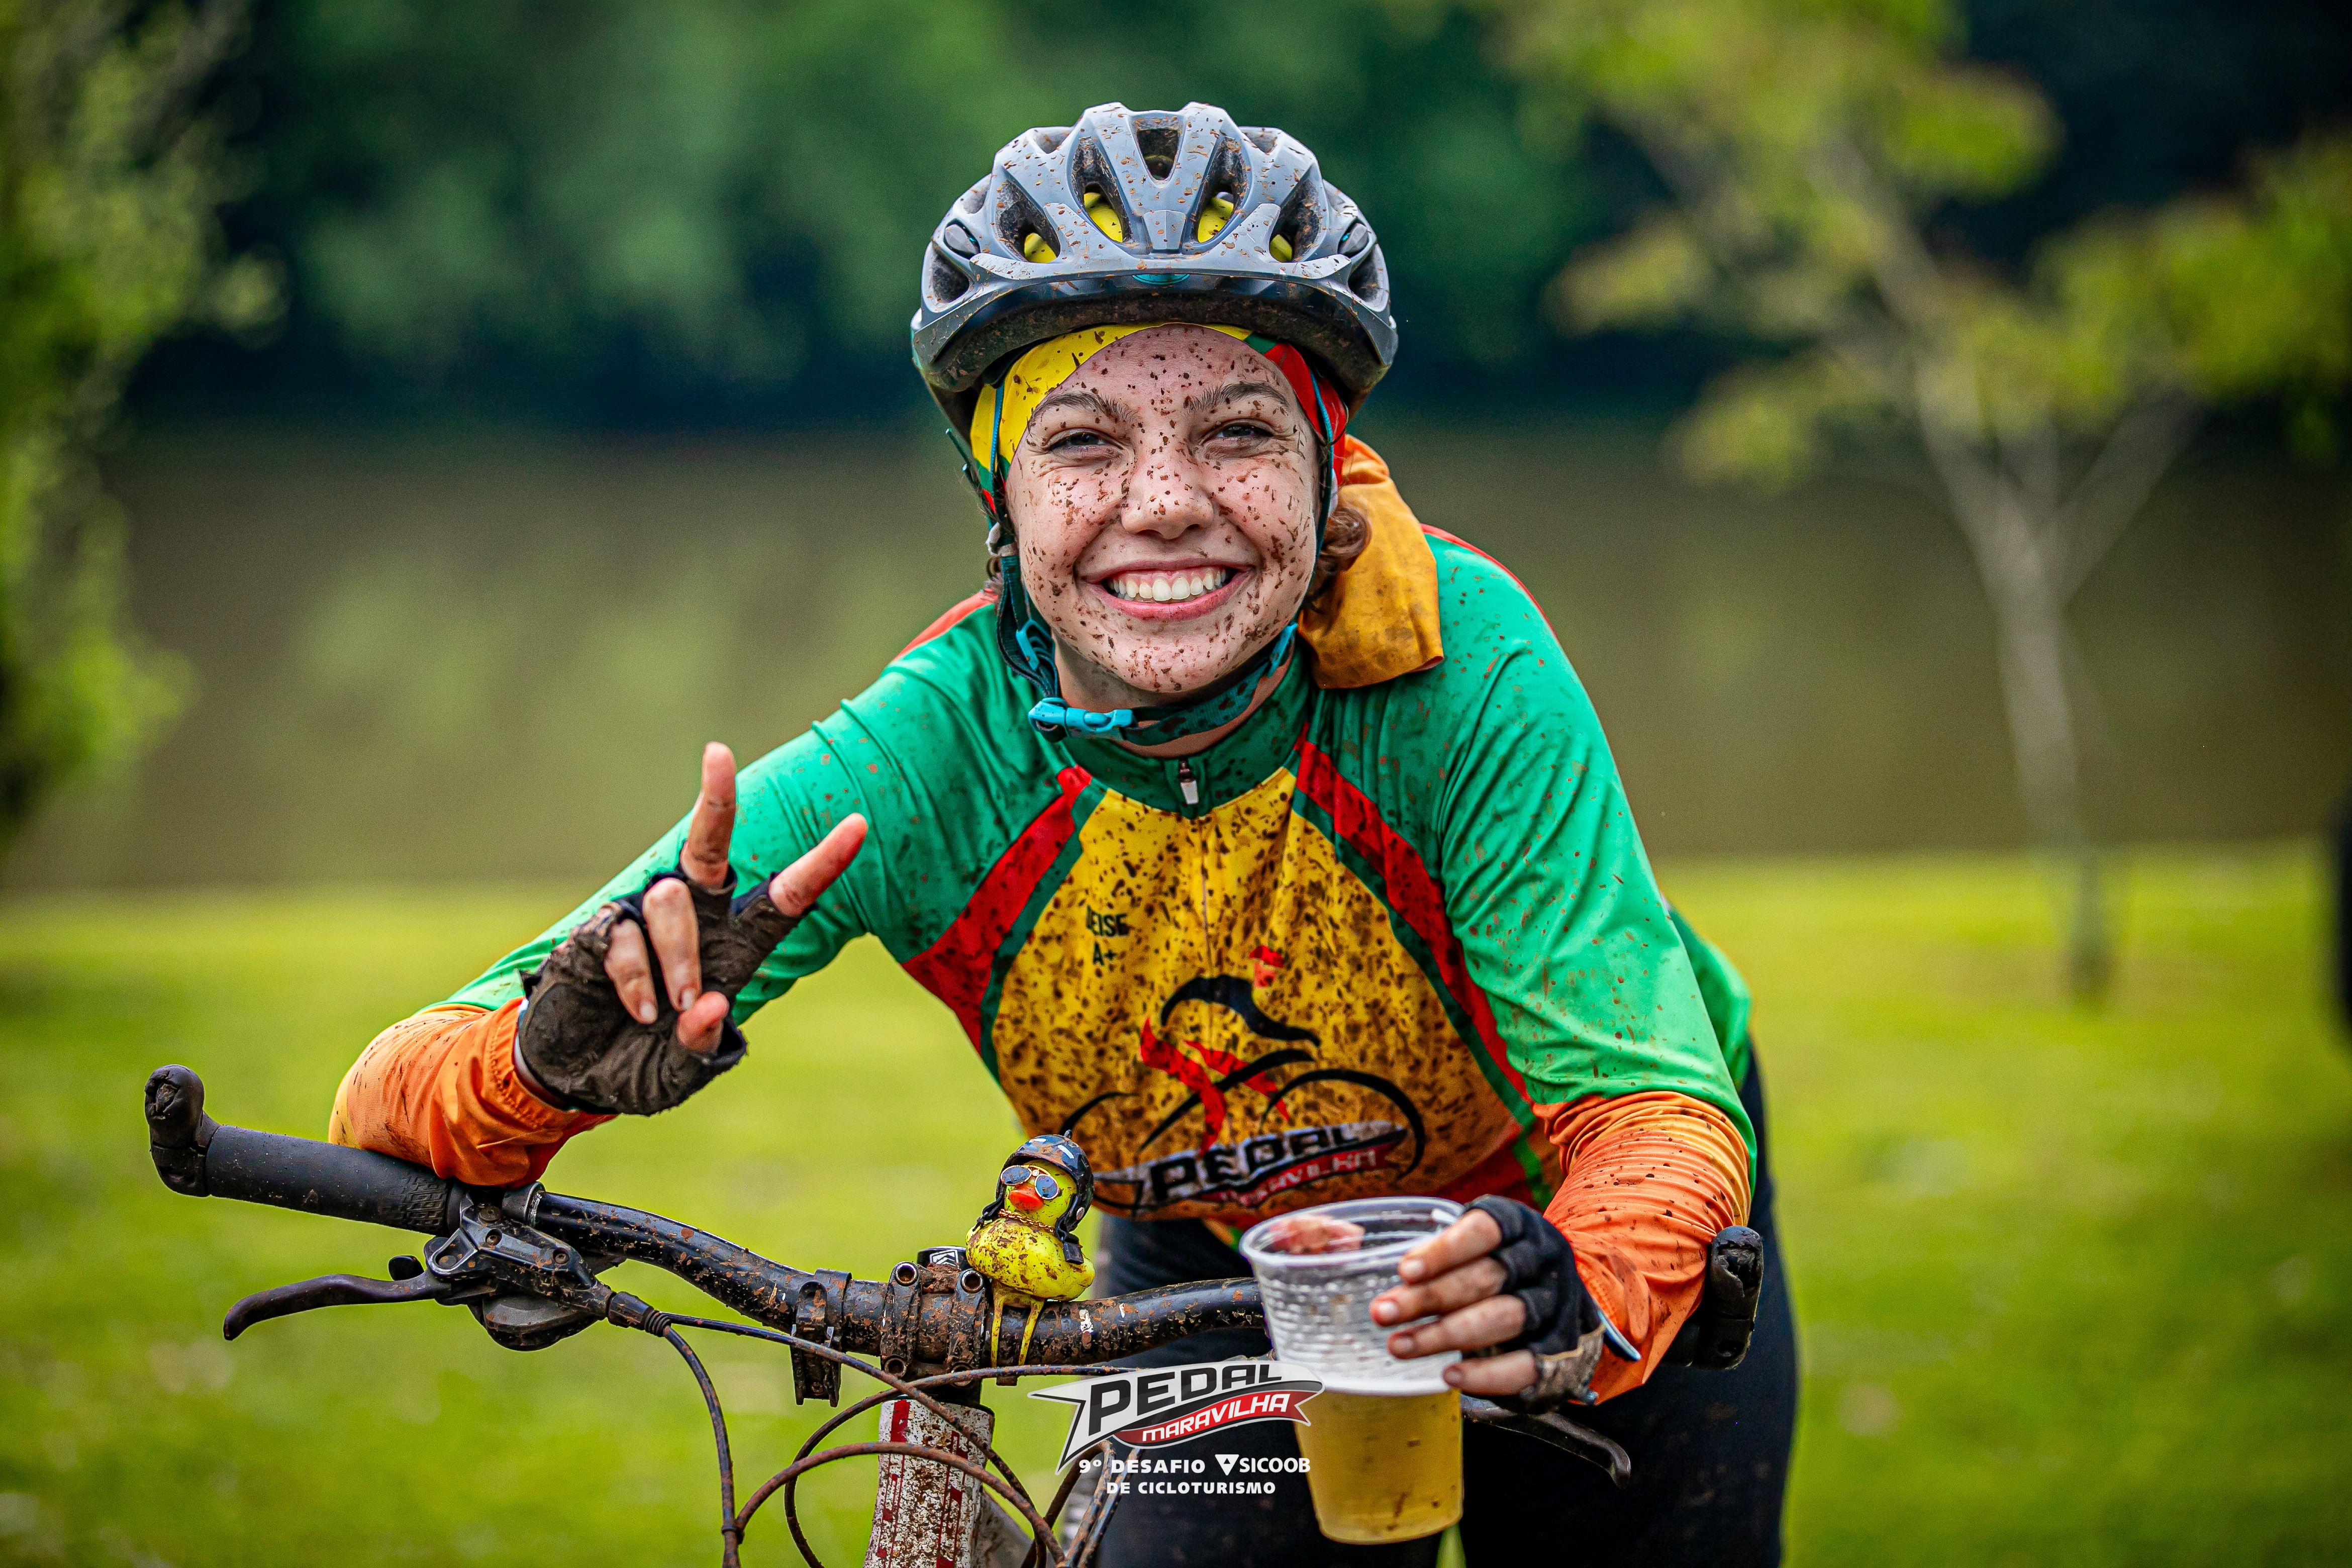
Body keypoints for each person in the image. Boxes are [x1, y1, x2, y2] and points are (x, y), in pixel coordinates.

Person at [327, 102, 1797, 1564]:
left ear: (1326, 461)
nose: (1163, 504)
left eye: (1239, 432)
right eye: (1082, 441)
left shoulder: (1461, 662)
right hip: (1213, 1254)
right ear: (999, 490)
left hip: (1538, 1223)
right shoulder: (925, 757)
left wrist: (1588, 1271)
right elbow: (382, 1102)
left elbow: (1651, 1102)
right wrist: (533, 1075)